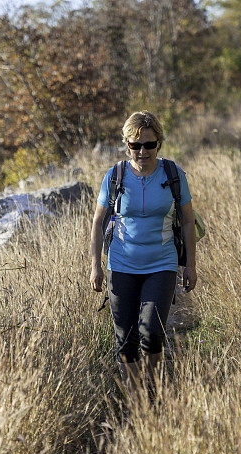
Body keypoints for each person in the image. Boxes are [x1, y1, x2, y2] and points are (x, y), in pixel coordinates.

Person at [89, 111, 197, 399]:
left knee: (151, 333)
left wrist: (191, 266)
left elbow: (187, 221)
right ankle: (136, 398)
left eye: (149, 144)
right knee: (125, 339)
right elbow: (98, 221)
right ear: (127, 145)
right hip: (121, 264)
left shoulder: (173, 175)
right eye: (135, 145)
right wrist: (96, 266)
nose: (142, 151)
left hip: (162, 262)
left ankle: (152, 384)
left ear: (159, 144)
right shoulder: (115, 176)